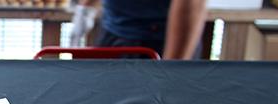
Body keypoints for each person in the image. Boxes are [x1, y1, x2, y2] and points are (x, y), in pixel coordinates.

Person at [70, 0, 208, 59]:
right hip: (112, 31)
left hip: (163, 43)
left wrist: (172, 67)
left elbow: (191, 3)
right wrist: (85, 9)